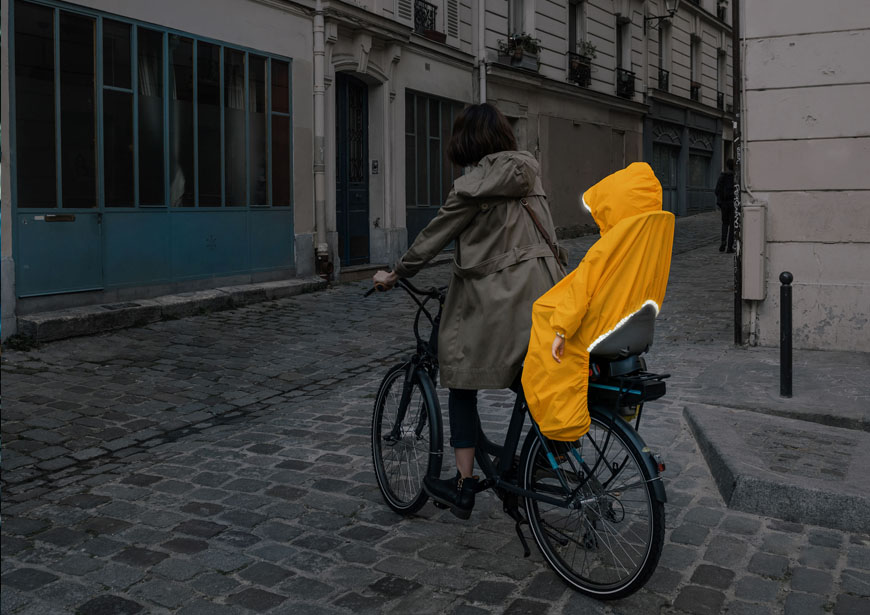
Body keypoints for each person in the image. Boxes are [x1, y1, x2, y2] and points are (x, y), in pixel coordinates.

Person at [373, 103, 563, 519]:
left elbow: (430, 239)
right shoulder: (530, 173)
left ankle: (462, 484)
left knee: (459, 378)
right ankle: (554, 450)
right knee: (529, 376)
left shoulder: (470, 187)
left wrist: (395, 273)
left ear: (466, 141)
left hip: (500, 300)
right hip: (547, 293)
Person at [523, 163, 675, 441]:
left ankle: (562, 425)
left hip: (602, 329)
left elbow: (582, 291)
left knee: (549, 332)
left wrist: (561, 330)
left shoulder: (611, 245)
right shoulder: (650, 238)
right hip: (632, 326)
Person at [715, 158, 736, 253]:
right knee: (732, 225)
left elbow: (717, 190)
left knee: (724, 223)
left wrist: (720, 200)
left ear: (727, 165)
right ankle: (729, 247)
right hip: (733, 203)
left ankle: (723, 241)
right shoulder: (735, 177)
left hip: (724, 203)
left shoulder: (722, 176)